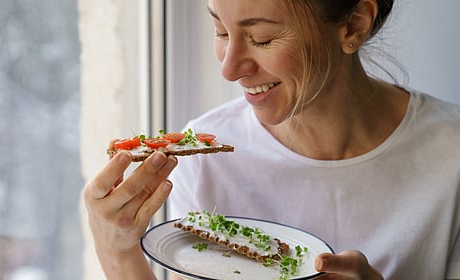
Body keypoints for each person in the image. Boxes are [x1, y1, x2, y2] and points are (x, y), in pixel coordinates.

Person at [83, 0, 460, 279]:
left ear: (354, 26)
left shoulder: (451, 154)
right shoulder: (206, 166)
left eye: (261, 39)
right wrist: (116, 250)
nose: (229, 69)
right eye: (221, 32)